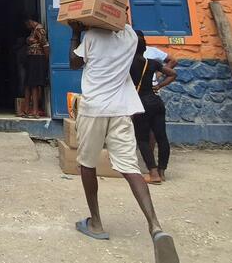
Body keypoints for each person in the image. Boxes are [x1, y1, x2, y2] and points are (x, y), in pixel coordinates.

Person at [67, 20, 179, 262]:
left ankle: (96, 223)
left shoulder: (92, 36)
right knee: (130, 167)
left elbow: (73, 63)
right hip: (121, 108)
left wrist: (76, 33)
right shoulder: (130, 36)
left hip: (94, 108)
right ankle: (155, 226)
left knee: (87, 163)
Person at [130, 31, 177, 184]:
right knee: (161, 136)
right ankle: (162, 172)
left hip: (140, 103)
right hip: (156, 102)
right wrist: (160, 85)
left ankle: (153, 173)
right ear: (144, 49)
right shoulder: (152, 63)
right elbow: (172, 73)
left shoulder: (127, 64)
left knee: (142, 139)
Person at [23, 15, 49, 118]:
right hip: (31, 59)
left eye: (26, 24)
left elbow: (45, 45)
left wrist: (46, 61)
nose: (26, 26)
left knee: (34, 84)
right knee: (28, 84)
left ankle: (35, 111)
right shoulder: (33, 30)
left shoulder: (39, 29)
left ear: (30, 21)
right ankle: (26, 109)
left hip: (37, 59)